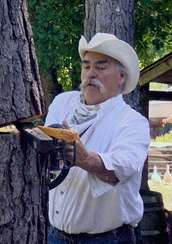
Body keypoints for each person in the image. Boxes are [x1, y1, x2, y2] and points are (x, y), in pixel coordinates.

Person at [45, 33, 150, 244]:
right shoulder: (62, 102)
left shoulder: (132, 122)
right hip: (55, 236)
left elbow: (123, 168)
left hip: (107, 239)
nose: (91, 73)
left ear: (121, 77)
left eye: (101, 68)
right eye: (86, 66)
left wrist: (86, 159)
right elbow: (49, 154)